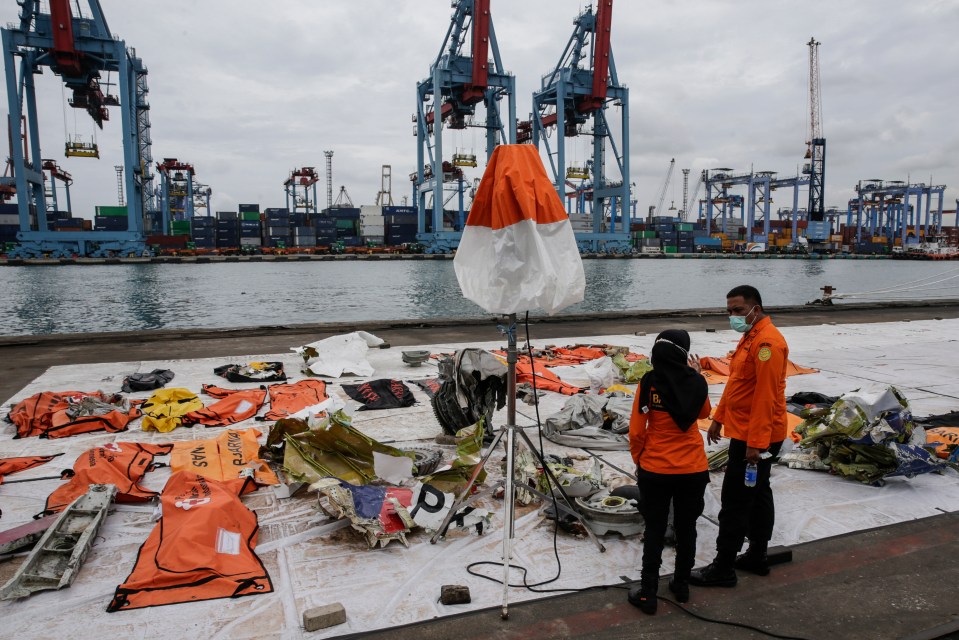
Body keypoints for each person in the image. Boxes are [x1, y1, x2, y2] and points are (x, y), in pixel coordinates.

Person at [689, 284, 789, 588]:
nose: (733, 316)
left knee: (735, 498)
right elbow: (737, 386)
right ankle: (757, 555)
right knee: (758, 494)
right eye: (729, 311)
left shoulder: (768, 344)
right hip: (747, 430)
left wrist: (756, 445)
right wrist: (718, 419)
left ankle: (723, 567)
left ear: (755, 309)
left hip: (757, 436)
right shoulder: (750, 338)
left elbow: (764, 397)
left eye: (738, 311)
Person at [627, 329, 711, 615]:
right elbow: (702, 414)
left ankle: (648, 592)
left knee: (655, 528)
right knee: (687, 527)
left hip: (656, 468)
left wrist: (639, 459)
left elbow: (637, 430)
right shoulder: (697, 382)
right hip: (693, 469)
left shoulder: (649, 382)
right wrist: (697, 376)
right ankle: (682, 584)